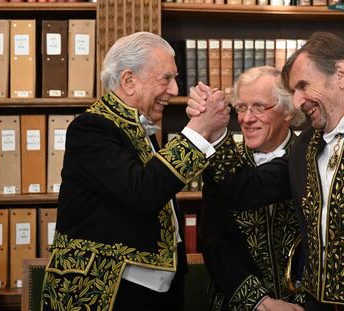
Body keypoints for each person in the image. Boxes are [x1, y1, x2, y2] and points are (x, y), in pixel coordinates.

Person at [189, 31, 344, 311]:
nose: (298, 100)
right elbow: (245, 191)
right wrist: (214, 131)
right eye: (294, 91)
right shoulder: (305, 145)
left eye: (303, 86)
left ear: (340, 73)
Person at [40, 31, 230, 311]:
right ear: (129, 80)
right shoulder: (91, 128)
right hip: (107, 291)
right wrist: (198, 131)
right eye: (166, 78)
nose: (175, 90)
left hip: (153, 291)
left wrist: (209, 130)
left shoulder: (138, 127)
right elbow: (143, 191)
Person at [195, 66, 305, 311]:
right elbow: (214, 242)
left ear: (288, 111)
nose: (246, 118)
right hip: (239, 303)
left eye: (259, 107)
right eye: (241, 107)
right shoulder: (222, 163)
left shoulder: (310, 156)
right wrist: (258, 302)